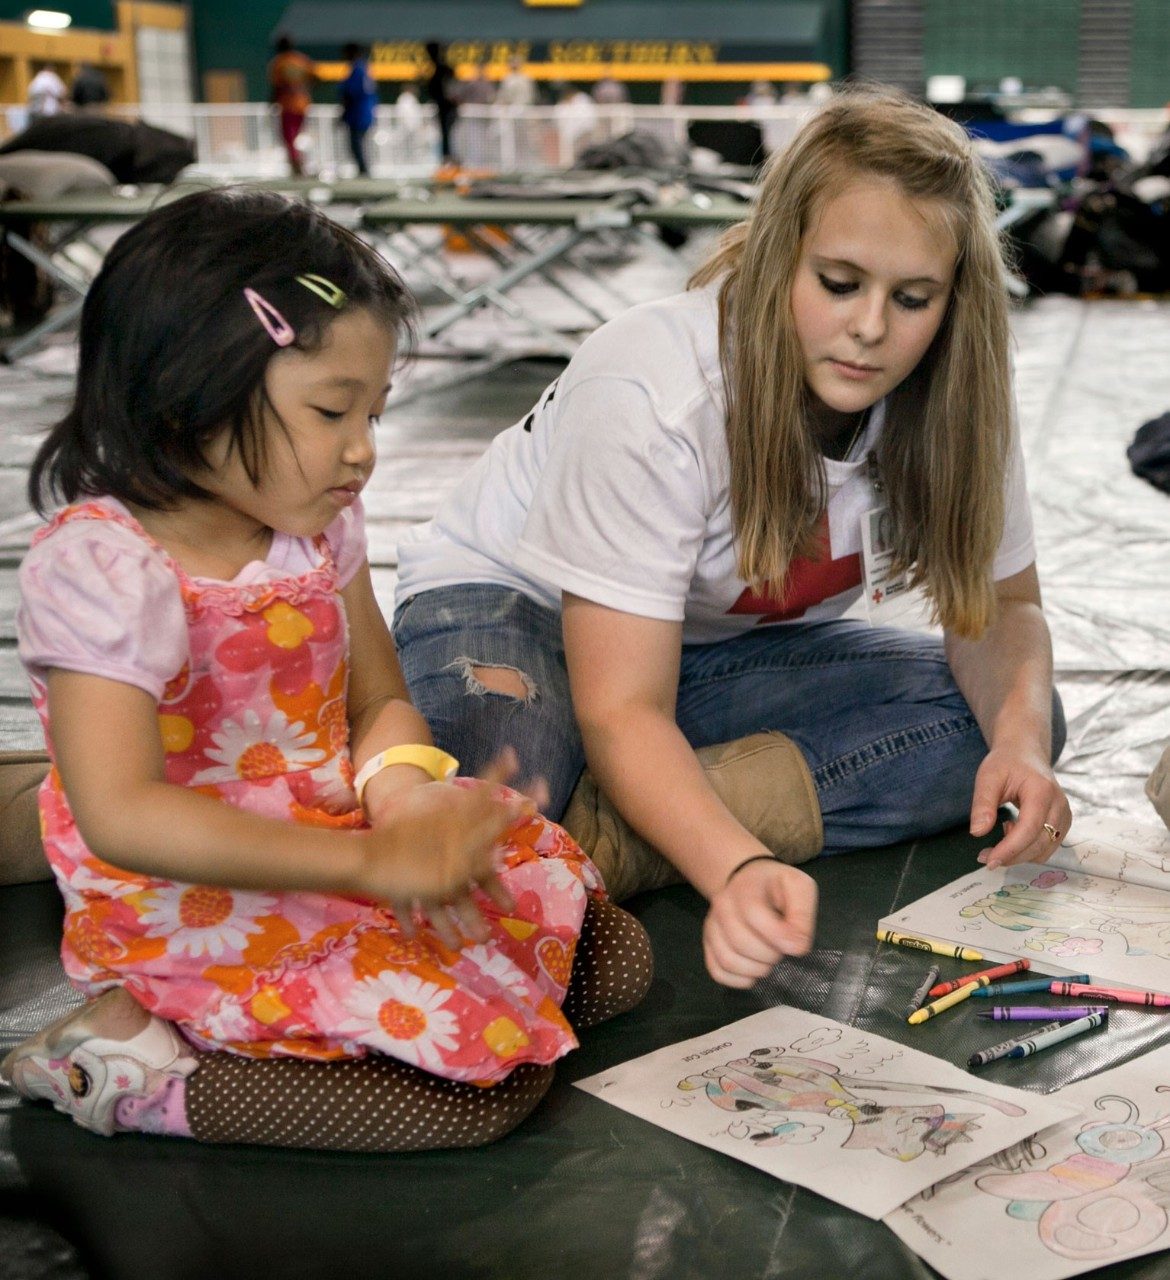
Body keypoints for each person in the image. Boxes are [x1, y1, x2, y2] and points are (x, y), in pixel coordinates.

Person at [0, 188, 652, 1151]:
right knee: (473, 1097)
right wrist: (367, 862)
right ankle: (125, 1077)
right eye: (331, 410)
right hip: (195, 897)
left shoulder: (315, 528)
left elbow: (381, 698)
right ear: (188, 394)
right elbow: (124, 815)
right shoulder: (104, 567)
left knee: (613, 959)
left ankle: (292, 1029)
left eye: (377, 412)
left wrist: (403, 795)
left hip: (333, 835)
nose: (363, 452)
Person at [390, 88, 1071, 990]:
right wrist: (736, 866)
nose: (869, 328)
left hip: (687, 663)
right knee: (485, 822)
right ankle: (607, 816)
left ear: (955, 300)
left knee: (1010, 730)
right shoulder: (655, 386)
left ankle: (614, 835)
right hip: (509, 610)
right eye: (839, 284)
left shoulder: (956, 400)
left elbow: (1003, 611)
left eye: (913, 298)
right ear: (780, 254)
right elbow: (621, 705)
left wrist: (1019, 742)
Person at [268, 34, 315, 176]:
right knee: (297, 136)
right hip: (303, 104)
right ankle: (300, 163)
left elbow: (276, 86)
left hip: (288, 105)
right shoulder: (302, 60)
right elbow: (314, 78)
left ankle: (296, 166)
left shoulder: (279, 63)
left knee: (289, 137)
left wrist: (272, 101)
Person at [338, 42, 378, 177]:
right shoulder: (364, 68)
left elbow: (351, 93)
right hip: (364, 112)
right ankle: (363, 170)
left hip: (358, 113)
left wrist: (343, 112)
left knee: (356, 143)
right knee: (357, 143)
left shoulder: (358, 69)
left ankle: (363, 170)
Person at [423, 41, 459, 165]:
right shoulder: (436, 69)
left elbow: (452, 92)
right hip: (442, 107)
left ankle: (451, 159)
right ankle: (447, 159)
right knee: (444, 135)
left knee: (451, 135)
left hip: (449, 109)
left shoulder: (444, 70)